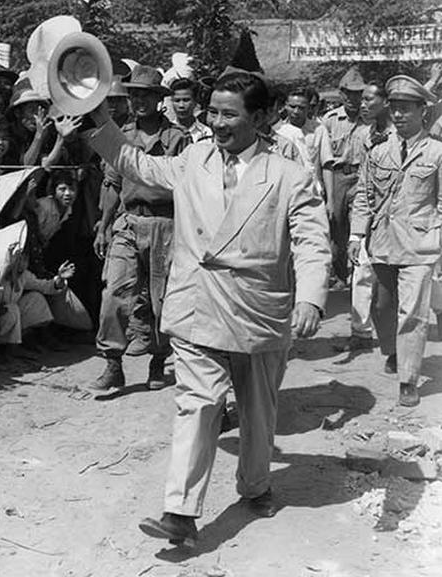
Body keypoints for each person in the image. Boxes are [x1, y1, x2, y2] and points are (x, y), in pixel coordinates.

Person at [87, 70, 330, 545]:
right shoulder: (192, 158)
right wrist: (96, 116)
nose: (217, 123)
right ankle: (180, 512)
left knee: (259, 411)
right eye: (212, 112)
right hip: (197, 306)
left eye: (229, 114)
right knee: (197, 403)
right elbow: (137, 164)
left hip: (259, 312)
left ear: (260, 118)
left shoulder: (288, 174)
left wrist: (311, 298)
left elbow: (311, 242)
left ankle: (255, 487)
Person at [88, 66, 188, 394]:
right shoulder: (123, 135)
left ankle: (158, 359)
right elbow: (112, 183)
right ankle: (112, 363)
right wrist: (104, 225)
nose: (139, 100)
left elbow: (186, 187)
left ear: (159, 99)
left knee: (162, 298)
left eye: (146, 94)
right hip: (128, 221)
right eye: (134, 95)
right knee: (114, 290)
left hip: (166, 224)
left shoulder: (176, 138)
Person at [350, 75, 442, 407]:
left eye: (406, 109)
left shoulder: (436, 152)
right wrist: (355, 234)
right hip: (383, 242)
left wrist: (438, 236)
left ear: (423, 111)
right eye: (395, 109)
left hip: (420, 243)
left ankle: (409, 377)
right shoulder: (377, 151)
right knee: (382, 306)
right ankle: (392, 350)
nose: (399, 115)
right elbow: (363, 195)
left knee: (413, 312)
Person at [340, 83, 392, 353]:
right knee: (361, 270)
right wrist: (356, 234)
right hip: (371, 217)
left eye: (369, 99)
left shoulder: (406, 133)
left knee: (422, 280)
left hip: (402, 222)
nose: (362, 104)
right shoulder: (366, 135)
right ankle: (360, 333)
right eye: (361, 99)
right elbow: (364, 185)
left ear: (386, 102)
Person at [316, 66, 368, 285]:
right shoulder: (330, 120)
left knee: (360, 225)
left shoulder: (369, 120)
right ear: (341, 93)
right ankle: (340, 275)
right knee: (336, 227)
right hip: (337, 178)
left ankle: (359, 274)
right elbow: (322, 158)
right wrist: (325, 191)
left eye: (357, 93)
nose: (352, 98)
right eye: (348, 93)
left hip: (361, 177)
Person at [169, 78, 212, 143]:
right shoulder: (166, 132)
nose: (181, 105)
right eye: (177, 101)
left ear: (195, 101)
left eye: (186, 100)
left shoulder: (207, 134)